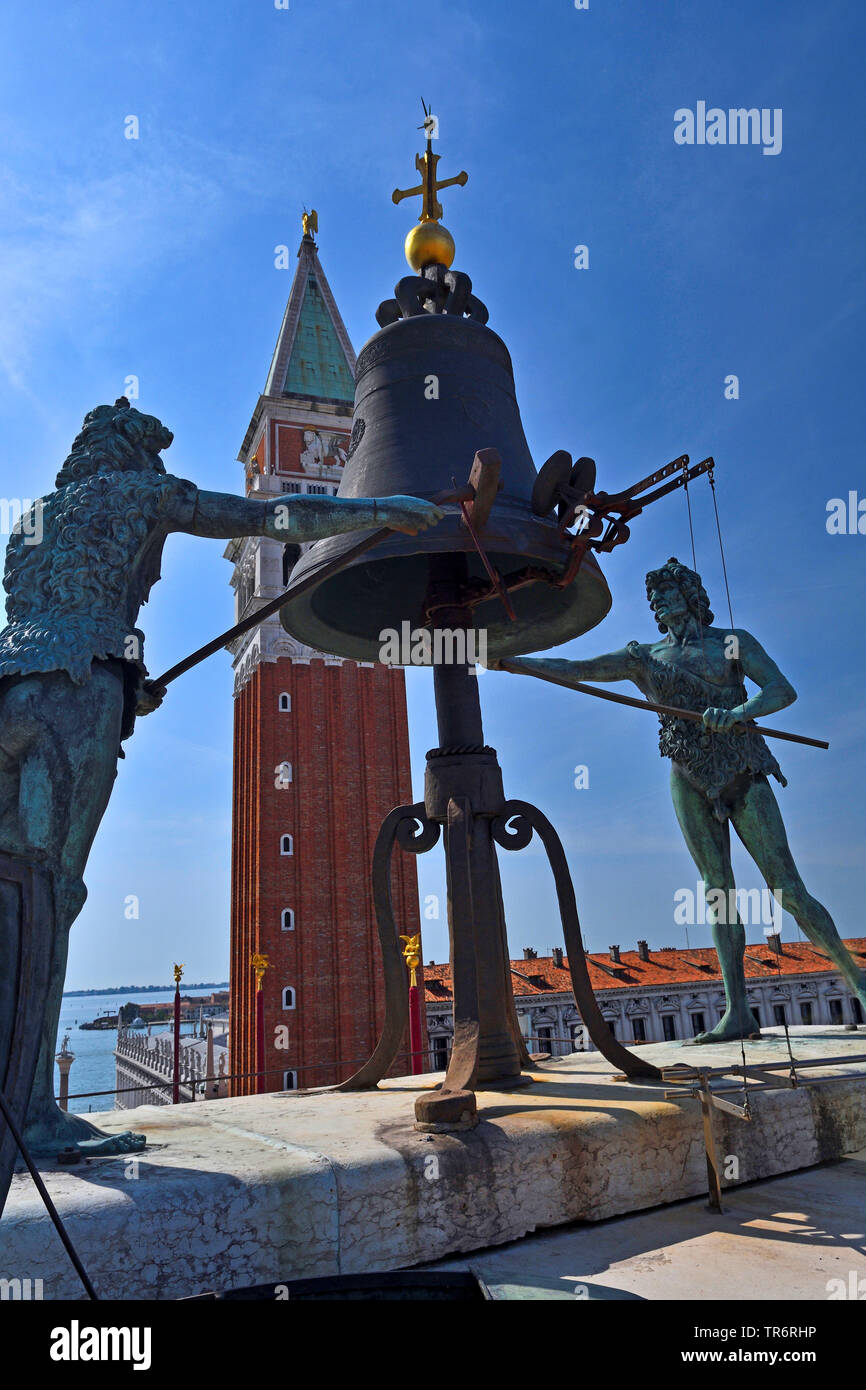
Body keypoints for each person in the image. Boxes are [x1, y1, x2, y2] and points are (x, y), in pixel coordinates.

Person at [0, 398, 443, 1150]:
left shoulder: (35, 517)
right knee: (49, 894)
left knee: (15, 890)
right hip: (79, 692)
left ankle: (17, 1097)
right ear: (137, 455)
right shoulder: (146, 491)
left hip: (13, 684)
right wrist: (380, 511)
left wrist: (127, 679)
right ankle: (32, 1114)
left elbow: (43, 609)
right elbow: (276, 522)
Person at [493, 556, 866, 1043]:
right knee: (718, 890)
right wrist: (514, 661)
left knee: (787, 889)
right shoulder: (642, 658)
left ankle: (856, 979)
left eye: (667, 592)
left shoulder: (732, 641)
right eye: (653, 596)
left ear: (691, 595)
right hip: (687, 775)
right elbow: (576, 668)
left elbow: (781, 690)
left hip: (743, 766)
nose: (658, 601)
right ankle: (739, 1011)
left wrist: (741, 711)